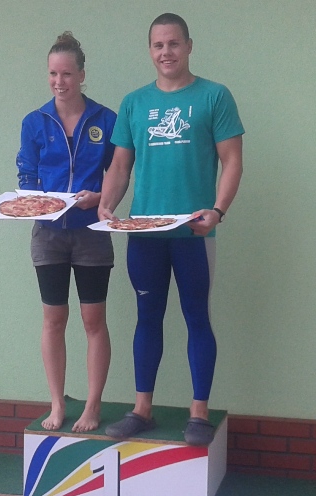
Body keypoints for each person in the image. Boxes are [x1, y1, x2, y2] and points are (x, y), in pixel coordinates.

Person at [99, 13, 244, 446]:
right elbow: (120, 166)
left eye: (174, 43)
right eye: (159, 45)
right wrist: (107, 204)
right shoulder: (134, 103)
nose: (167, 52)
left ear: (189, 46)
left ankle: (198, 414)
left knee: (197, 317)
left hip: (194, 235)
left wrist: (218, 211)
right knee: (147, 318)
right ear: (150, 51)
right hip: (145, 233)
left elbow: (232, 161)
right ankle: (142, 409)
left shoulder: (214, 96)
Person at [17, 32, 117, 432]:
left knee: (93, 320)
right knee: (53, 319)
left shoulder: (106, 120)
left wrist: (102, 198)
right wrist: (37, 200)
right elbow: (26, 173)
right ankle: (57, 404)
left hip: (91, 232)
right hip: (48, 235)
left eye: (67, 74)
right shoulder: (34, 122)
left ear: (82, 75)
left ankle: (92, 405)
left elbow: (119, 173)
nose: (59, 82)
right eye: (53, 74)